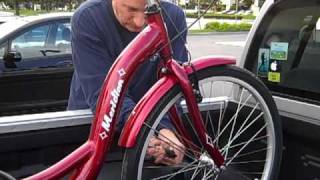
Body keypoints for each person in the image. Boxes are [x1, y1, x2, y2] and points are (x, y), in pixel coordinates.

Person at [67, 0, 188, 165]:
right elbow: (102, 93)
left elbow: (171, 83)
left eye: (148, 11)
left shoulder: (173, 17)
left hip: (149, 122)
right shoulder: (88, 18)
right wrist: (147, 130)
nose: (140, 22)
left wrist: (165, 129)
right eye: (131, 9)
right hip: (91, 124)